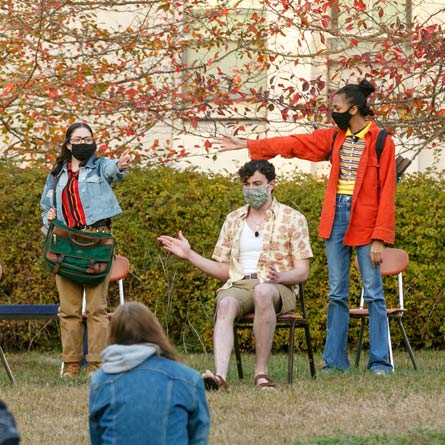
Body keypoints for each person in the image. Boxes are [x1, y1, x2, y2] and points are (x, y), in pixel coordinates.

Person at [216, 79, 396, 375]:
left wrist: (380, 237)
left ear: (353, 109)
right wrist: (250, 145)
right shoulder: (335, 137)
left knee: (374, 292)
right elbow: (295, 144)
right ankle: (335, 363)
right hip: (336, 216)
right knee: (337, 292)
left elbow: (387, 190)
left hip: (368, 219)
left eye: (337, 108)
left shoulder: (381, 141)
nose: (332, 113)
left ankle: (379, 361)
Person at [158, 160, 312, 389]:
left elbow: (303, 272)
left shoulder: (292, 218)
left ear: (271, 185)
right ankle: (219, 377)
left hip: (278, 286)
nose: (251, 189)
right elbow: (223, 272)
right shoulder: (233, 220)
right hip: (240, 284)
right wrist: (190, 255)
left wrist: (280, 277)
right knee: (226, 302)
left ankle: (261, 374)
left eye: (257, 183)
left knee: (262, 291)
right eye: (247, 184)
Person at [40, 122, 131, 378]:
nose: (83, 143)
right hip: (66, 243)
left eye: (87, 139)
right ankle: (71, 365)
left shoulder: (100, 166)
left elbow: (114, 171)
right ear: (68, 144)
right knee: (68, 309)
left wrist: (120, 166)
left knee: (96, 309)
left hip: (97, 242)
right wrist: (49, 218)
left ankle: (97, 365)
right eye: (78, 139)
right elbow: (45, 206)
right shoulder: (57, 174)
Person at [89, 302, 210, 445]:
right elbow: (198, 439)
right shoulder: (189, 378)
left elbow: (97, 438)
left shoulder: (100, 380)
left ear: (113, 335)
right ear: (155, 331)